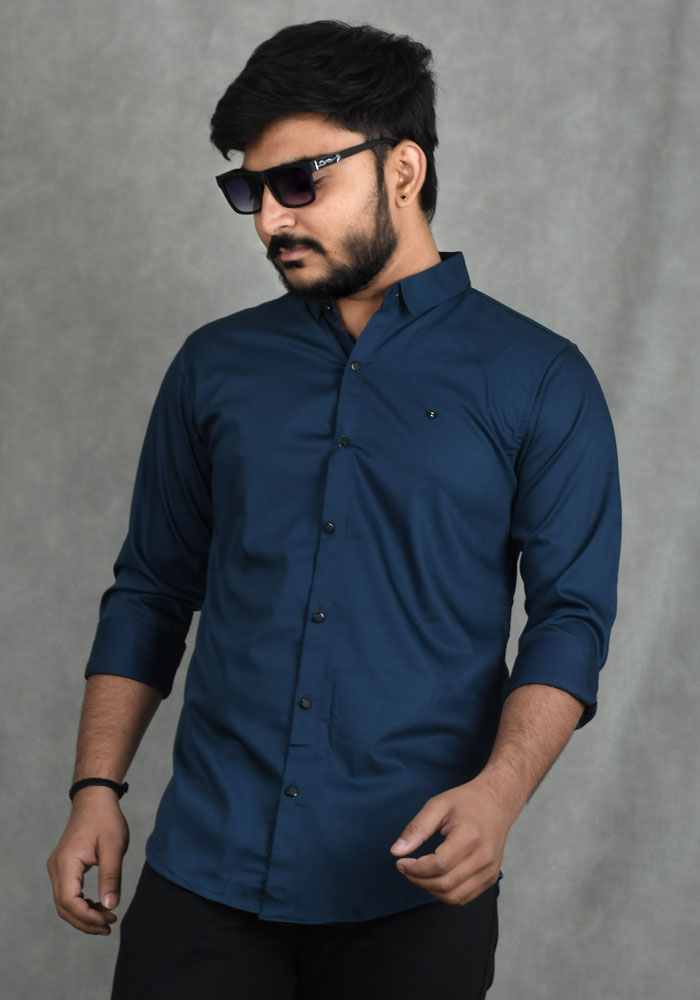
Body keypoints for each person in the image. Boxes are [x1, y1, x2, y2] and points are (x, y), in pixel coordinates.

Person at [47, 19, 621, 1000]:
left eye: (298, 182)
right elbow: (151, 589)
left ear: (403, 169)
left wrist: (498, 795)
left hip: (406, 881)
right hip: (205, 871)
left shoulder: (539, 379)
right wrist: (95, 788)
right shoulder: (214, 367)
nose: (269, 219)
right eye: (250, 190)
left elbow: (570, 618)